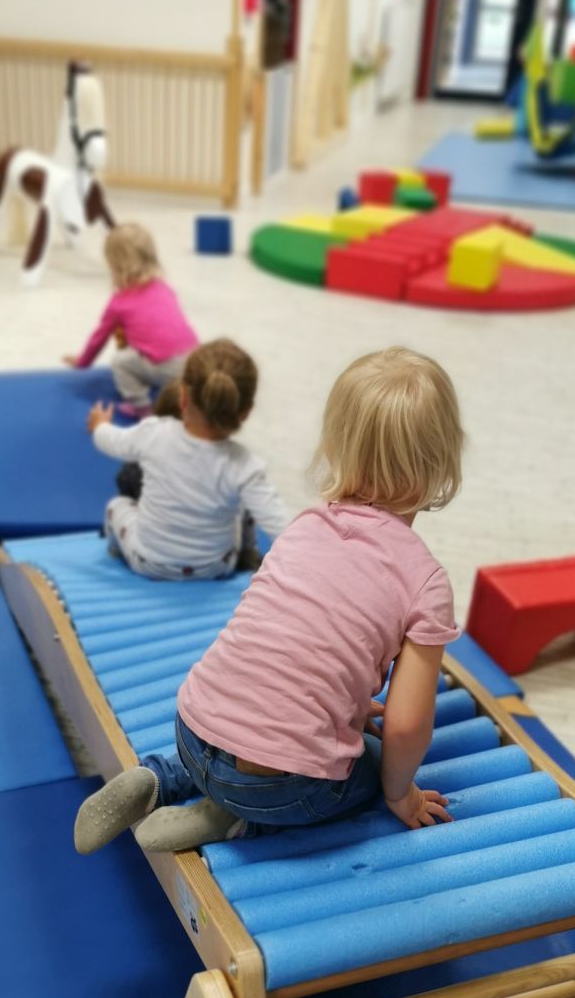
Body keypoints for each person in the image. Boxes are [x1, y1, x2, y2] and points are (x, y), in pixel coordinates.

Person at [75, 346, 464, 855]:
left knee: (243, 736)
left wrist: (341, 704)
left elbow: (285, 637)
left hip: (192, 730)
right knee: (371, 763)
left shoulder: (304, 527)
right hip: (277, 786)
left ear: (335, 445)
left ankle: (160, 777)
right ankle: (236, 820)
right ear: (444, 459)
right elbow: (407, 726)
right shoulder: (425, 582)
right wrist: (400, 793)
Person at [88, 339, 288, 580]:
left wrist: (99, 425)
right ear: (246, 412)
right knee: (243, 506)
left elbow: (109, 441)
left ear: (182, 397)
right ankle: (247, 554)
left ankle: (117, 551)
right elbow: (281, 527)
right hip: (215, 566)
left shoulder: (154, 434)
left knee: (116, 506)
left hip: (148, 561)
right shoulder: (245, 466)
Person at [63, 223, 197, 415]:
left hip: (168, 368)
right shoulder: (164, 288)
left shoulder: (119, 303)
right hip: (193, 361)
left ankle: (141, 406)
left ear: (115, 267)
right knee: (147, 349)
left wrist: (82, 362)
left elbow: (98, 339)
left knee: (120, 362)